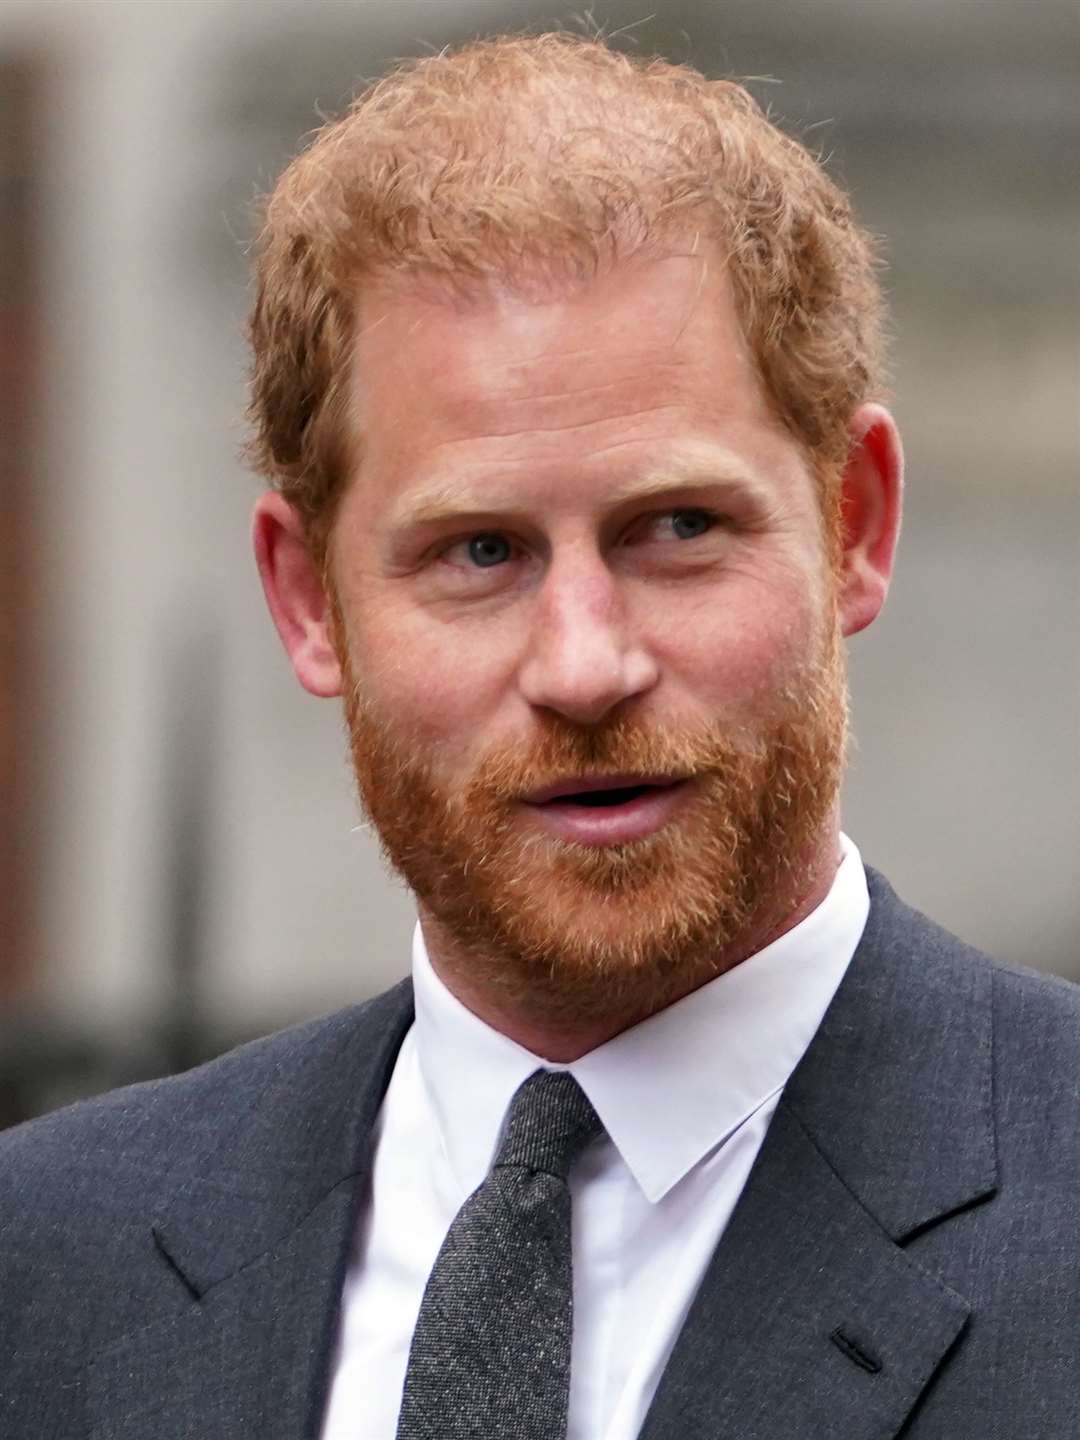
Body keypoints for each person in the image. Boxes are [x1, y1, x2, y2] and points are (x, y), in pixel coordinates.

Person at [1, 32, 1077, 1440]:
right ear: (307, 599)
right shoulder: (49, 1268)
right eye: (480, 551)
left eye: (679, 529)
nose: (585, 664)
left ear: (855, 524)